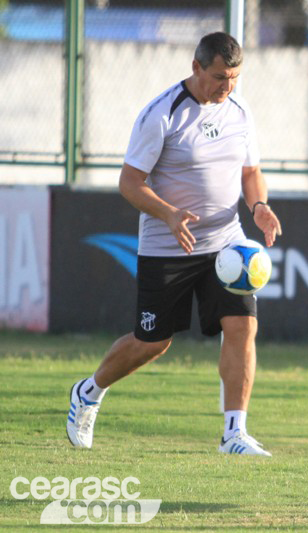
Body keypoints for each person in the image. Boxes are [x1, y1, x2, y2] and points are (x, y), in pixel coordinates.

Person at [66, 32, 282, 456]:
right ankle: (88, 392)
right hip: (169, 245)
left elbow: (251, 171)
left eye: (235, 77)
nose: (227, 86)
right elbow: (130, 182)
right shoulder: (161, 114)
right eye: (220, 76)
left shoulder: (239, 110)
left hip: (226, 244)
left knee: (242, 325)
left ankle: (234, 433)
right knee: (153, 342)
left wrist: (258, 205)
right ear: (197, 67)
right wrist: (167, 213)